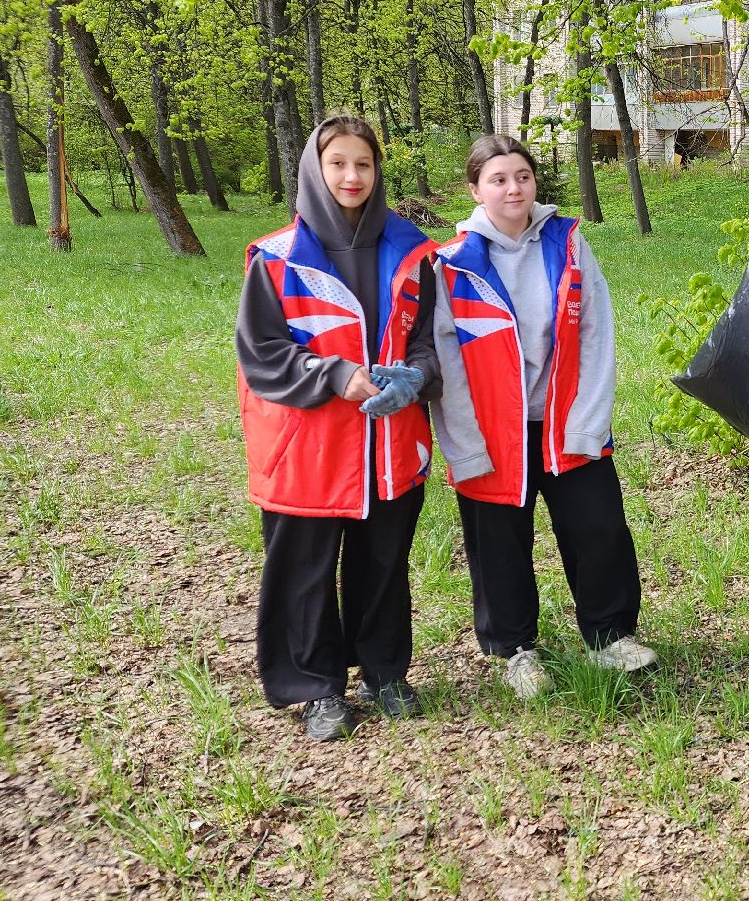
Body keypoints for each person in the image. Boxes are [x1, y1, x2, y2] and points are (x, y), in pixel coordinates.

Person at [236, 116, 440, 741]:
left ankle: (383, 671)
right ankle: (316, 686)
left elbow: (433, 344)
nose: (352, 176)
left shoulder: (414, 249)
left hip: (388, 441)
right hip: (307, 444)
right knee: (304, 569)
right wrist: (332, 374)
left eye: (364, 165)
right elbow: (261, 352)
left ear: (378, 173)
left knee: (383, 563)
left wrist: (415, 377)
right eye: (339, 164)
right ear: (315, 171)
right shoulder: (277, 258)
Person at [430, 134, 656, 698]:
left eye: (523, 177)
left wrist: (588, 420)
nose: (514, 188)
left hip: (566, 420)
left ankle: (610, 638)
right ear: (476, 190)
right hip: (492, 429)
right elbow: (446, 359)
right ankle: (515, 650)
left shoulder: (569, 244)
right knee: (500, 541)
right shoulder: (453, 264)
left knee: (598, 528)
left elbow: (597, 334)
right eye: (499, 179)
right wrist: (464, 441)